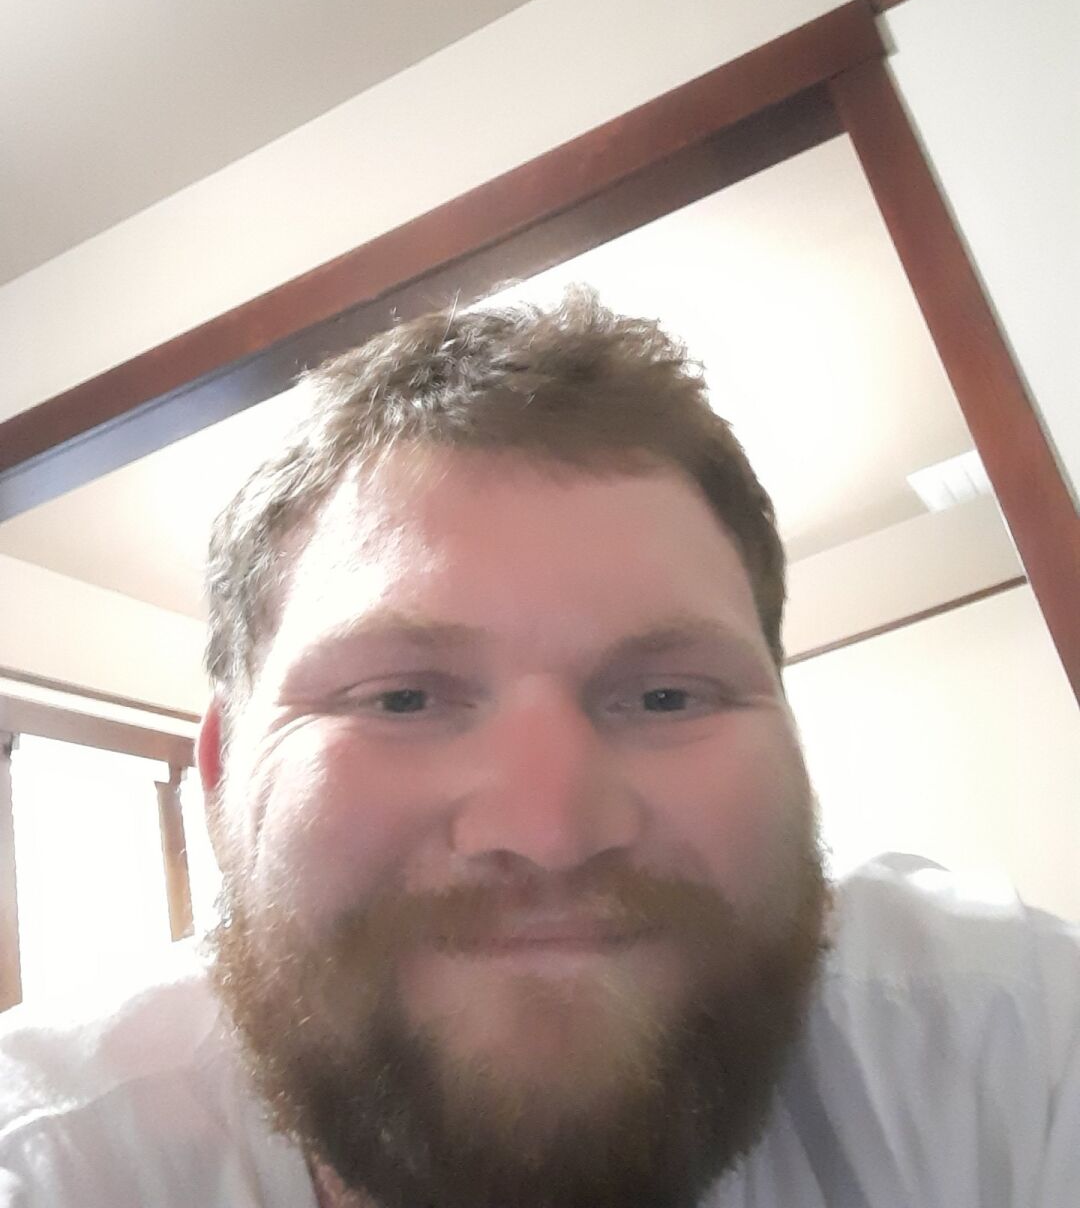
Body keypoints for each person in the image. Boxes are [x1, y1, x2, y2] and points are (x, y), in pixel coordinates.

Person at [1, 291, 1077, 1207]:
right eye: (402, 698)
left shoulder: (1013, 1050)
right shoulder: (51, 1165)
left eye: (665, 695)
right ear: (222, 776)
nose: (551, 830)